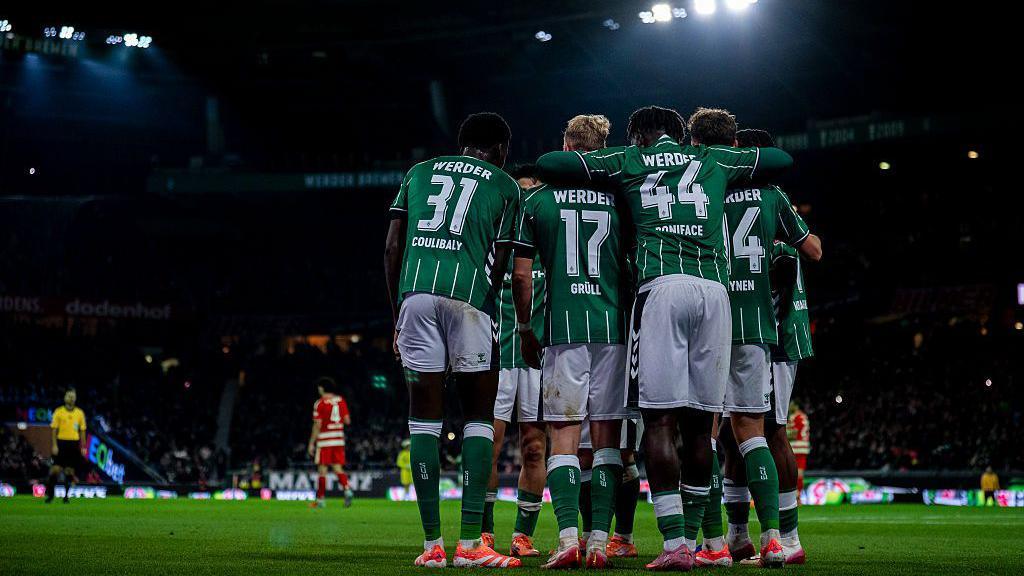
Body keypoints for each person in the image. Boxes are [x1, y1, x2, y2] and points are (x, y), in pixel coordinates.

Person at [536, 105, 794, 570]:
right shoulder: (711, 159)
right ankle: (698, 541)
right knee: (701, 425)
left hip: (661, 289)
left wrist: (615, 159)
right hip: (715, 294)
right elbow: (781, 160)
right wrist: (724, 158)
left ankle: (674, 542)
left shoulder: (629, 159)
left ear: (638, 137)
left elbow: (550, 164)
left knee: (658, 423)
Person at [384, 112, 522, 569]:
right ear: (500, 149)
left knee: (422, 423)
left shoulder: (418, 172)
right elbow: (501, 259)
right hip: (469, 298)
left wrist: (398, 315)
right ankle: (470, 544)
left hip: (416, 296)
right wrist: (485, 306)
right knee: (478, 419)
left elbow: (392, 246)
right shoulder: (505, 186)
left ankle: (431, 547)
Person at [688, 111, 821, 568]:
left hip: (765, 328)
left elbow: (807, 254)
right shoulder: (772, 197)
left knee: (767, 430)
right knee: (736, 434)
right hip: (760, 326)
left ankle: (784, 536)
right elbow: (814, 249)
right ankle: (741, 534)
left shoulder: (710, 189)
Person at [514, 114, 631, 569]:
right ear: (602, 149)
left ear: (564, 145)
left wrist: (525, 328)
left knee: (563, 438)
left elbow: (521, 276)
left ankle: (567, 540)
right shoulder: (622, 198)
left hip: (562, 329)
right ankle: (599, 543)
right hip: (612, 328)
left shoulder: (537, 199)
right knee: (606, 441)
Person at [483, 163, 546, 558]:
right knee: (488, 445)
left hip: (537, 359)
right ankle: (484, 532)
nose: (527, 199)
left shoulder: (551, 241)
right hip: (497, 355)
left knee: (534, 448)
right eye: (521, 192)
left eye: (532, 191)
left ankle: (523, 535)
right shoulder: (495, 240)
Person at [307, 377, 354, 508]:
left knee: (322, 470)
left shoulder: (320, 403)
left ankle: (320, 500)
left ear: (322, 388)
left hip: (325, 440)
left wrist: (311, 443)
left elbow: (317, 424)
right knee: (337, 467)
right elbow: (347, 420)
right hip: (338, 439)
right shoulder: (340, 400)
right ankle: (347, 489)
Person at [45, 388, 87, 504]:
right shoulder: (58, 411)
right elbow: (54, 430)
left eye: (73, 396)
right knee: (54, 471)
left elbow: (82, 431)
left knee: (69, 472)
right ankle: (50, 495)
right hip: (61, 443)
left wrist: (83, 447)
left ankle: (66, 497)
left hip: (73, 444)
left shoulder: (80, 413)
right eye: (69, 396)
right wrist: (54, 445)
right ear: (65, 398)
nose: (71, 398)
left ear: (75, 398)